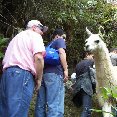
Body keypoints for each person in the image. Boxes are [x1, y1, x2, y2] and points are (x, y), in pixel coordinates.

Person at [0, 20, 48, 117]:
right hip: (22, 75)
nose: (42, 32)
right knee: (18, 112)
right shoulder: (35, 35)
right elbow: (39, 58)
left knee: (5, 111)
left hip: (6, 75)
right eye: (41, 29)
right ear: (34, 27)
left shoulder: (16, 38)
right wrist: (39, 79)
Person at [35, 28, 68, 117]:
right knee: (55, 105)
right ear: (57, 36)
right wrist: (65, 69)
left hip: (44, 75)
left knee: (40, 105)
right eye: (63, 37)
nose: (64, 40)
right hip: (55, 75)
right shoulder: (59, 40)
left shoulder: (47, 47)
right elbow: (61, 52)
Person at [72, 51, 96, 117]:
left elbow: (74, 76)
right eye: (92, 56)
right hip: (86, 87)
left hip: (78, 88)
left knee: (86, 109)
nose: (93, 58)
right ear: (87, 55)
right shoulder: (91, 62)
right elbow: (93, 75)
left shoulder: (78, 64)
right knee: (87, 110)